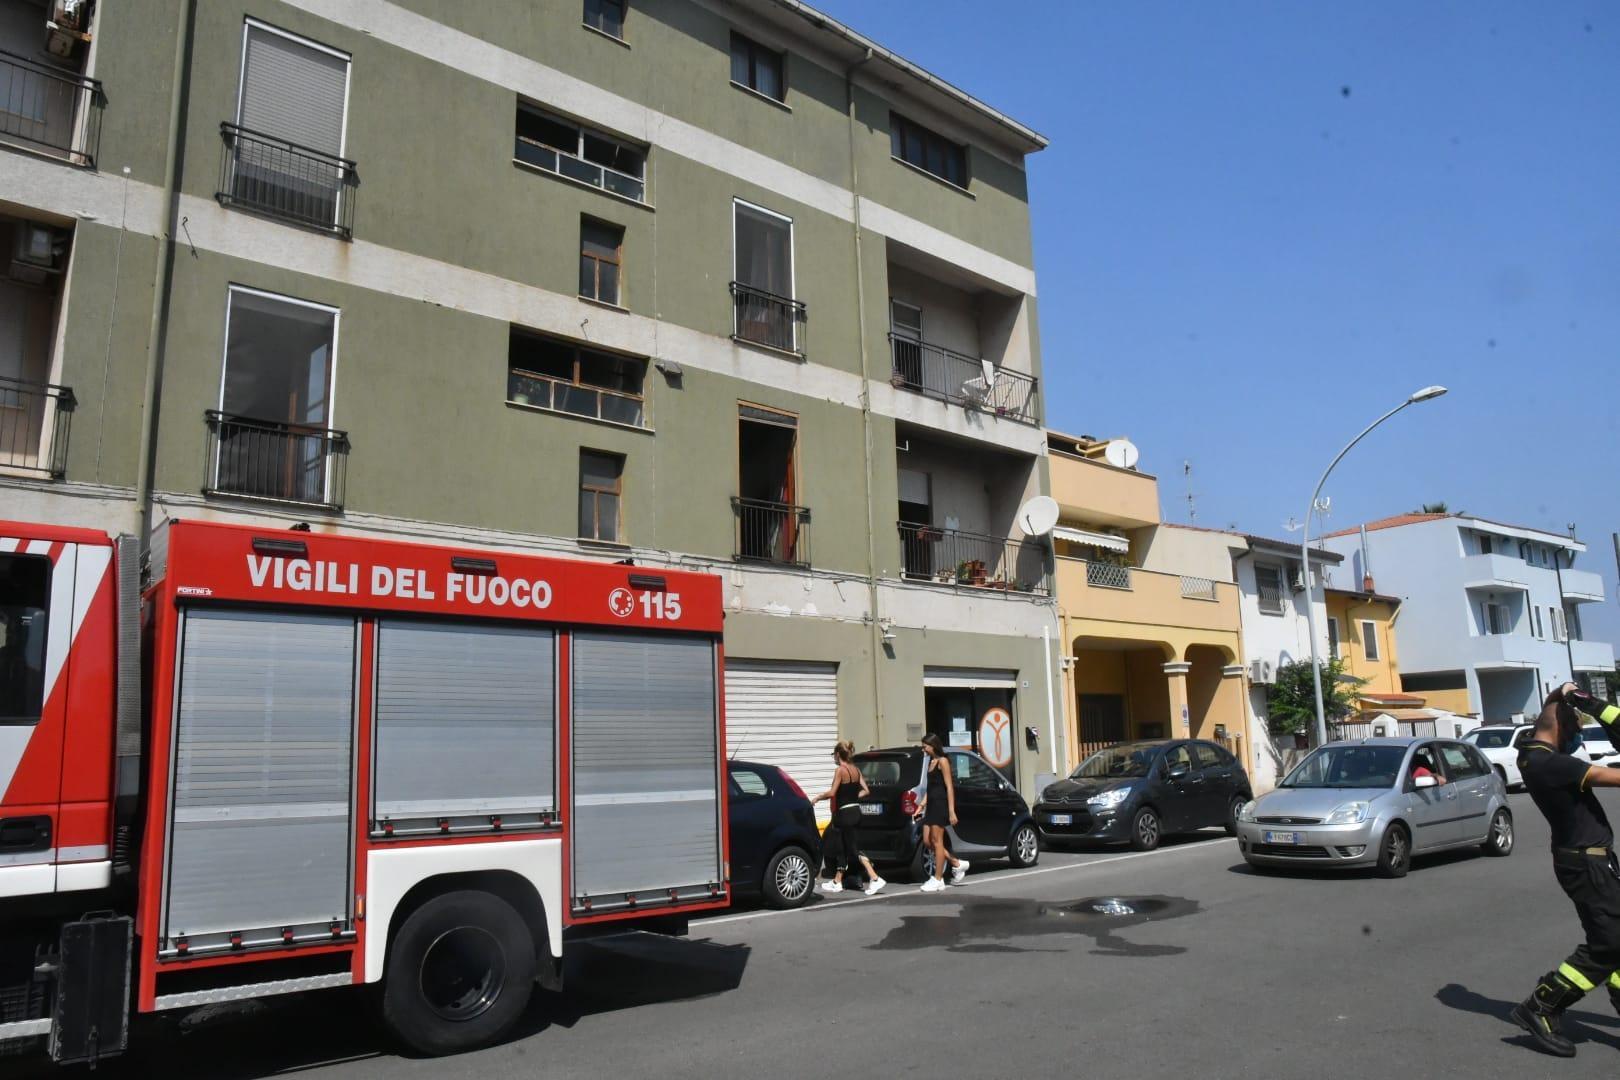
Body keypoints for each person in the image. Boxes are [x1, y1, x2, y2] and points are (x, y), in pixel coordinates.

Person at [1511, 683, 1620, 1057]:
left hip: (1587, 859)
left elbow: (1549, 710)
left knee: (1616, 937)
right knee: (1609, 944)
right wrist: (1603, 713)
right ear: (1559, 728)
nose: (1576, 734)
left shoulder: (1531, 753)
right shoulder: (1555, 765)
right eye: (1574, 727)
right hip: (1585, 863)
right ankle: (1541, 1006)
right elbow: (1616, 778)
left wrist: (1562, 693)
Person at [810, 741, 885, 896]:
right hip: (856, 812)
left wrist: (817, 797)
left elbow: (832, 793)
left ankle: (875, 878)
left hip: (844, 814)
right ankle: (837, 882)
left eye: (834, 755)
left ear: (838, 755)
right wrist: (852, 797)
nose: (834, 758)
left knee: (853, 849)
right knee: (843, 847)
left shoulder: (840, 770)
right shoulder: (856, 770)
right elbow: (866, 790)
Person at [914, 733, 968, 893]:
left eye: (925, 746)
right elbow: (931, 788)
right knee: (927, 841)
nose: (923, 749)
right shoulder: (931, 762)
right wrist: (921, 805)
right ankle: (957, 863)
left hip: (940, 805)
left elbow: (949, 787)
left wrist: (951, 811)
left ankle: (938, 879)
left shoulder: (943, 761)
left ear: (933, 745)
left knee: (937, 841)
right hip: (930, 805)